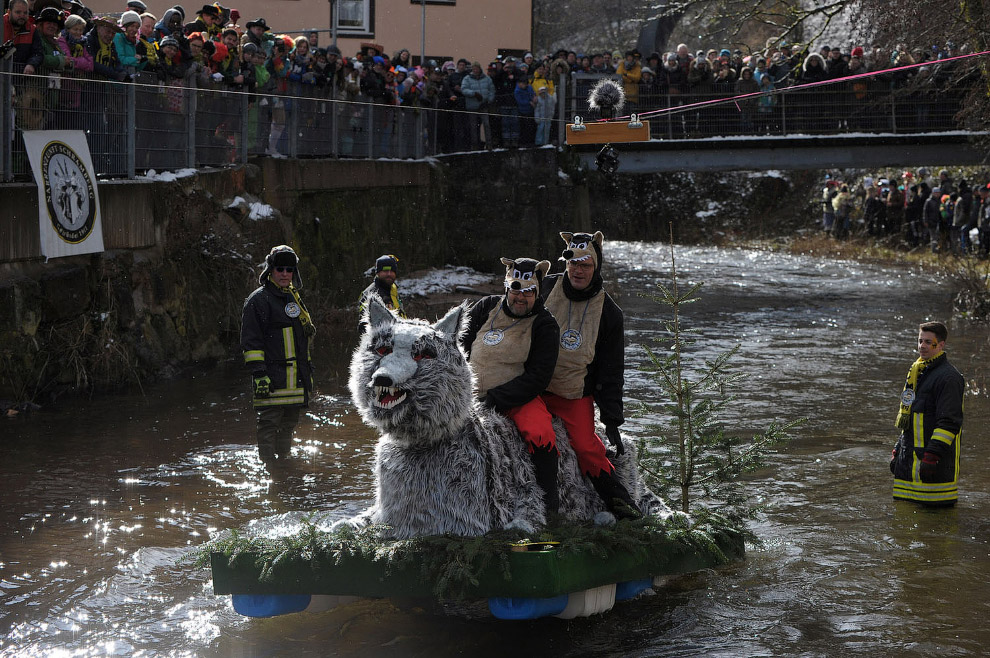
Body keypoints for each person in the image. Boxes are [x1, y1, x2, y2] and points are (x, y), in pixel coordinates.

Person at [539, 231, 640, 519]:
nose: (578, 270)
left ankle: (626, 512)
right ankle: (544, 511)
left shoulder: (609, 313)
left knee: (587, 449)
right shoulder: (544, 287)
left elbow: (611, 373)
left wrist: (611, 421)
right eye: (573, 264)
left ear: (596, 268)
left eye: (585, 265)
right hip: (533, 387)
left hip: (574, 393)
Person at [462, 257, 561, 516]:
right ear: (507, 287)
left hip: (517, 398)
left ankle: (549, 506)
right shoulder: (486, 307)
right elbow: (456, 346)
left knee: (542, 434)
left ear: (537, 292)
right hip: (468, 395)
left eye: (529, 292)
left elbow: (539, 378)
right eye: (516, 289)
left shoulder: (545, 324)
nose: (521, 297)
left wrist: (494, 399)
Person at [240, 245, 317, 464]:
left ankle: (284, 467)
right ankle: (269, 470)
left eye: (289, 269)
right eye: (280, 269)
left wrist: (307, 373)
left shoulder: (293, 298)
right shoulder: (258, 301)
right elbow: (251, 342)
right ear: (270, 271)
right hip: (271, 379)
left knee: (289, 425)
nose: (285, 273)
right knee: (268, 425)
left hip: (295, 380)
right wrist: (259, 374)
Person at [890, 321, 964, 507]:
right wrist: (898, 449)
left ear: (941, 345)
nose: (922, 346)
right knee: (902, 528)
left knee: (937, 530)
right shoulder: (916, 372)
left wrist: (931, 457)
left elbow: (949, 423)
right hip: (908, 468)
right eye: (920, 340)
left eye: (928, 342)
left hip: (934, 472)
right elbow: (911, 418)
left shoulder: (949, 378)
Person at [358, 254, 407, 323]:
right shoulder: (370, 293)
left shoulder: (392, 288)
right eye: (385, 271)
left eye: (392, 271)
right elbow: (364, 326)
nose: (389, 274)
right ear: (378, 273)